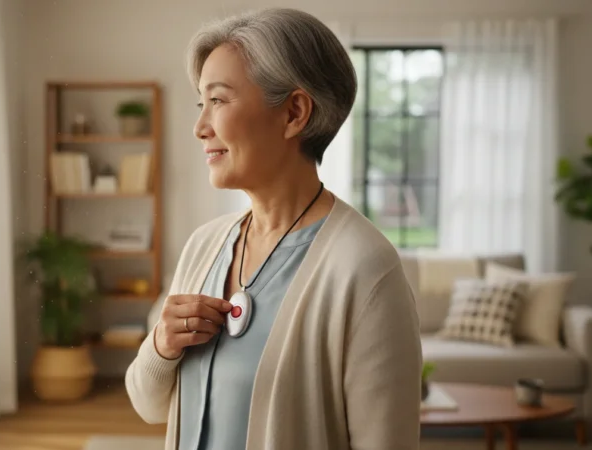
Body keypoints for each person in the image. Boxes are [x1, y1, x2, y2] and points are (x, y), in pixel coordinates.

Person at [126, 7, 422, 450]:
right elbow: (149, 407)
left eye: (219, 100)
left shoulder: (364, 268)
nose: (199, 127)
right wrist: (161, 346)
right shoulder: (204, 245)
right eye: (200, 104)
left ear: (294, 113)